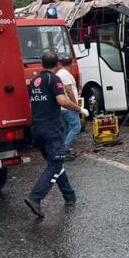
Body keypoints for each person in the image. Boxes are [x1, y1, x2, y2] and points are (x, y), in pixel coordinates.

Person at [25, 50, 90, 218]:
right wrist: (80, 109)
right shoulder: (53, 79)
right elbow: (62, 100)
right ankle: (35, 197)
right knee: (55, 164)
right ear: (58, 65)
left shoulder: (35, 81)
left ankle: (69, 195)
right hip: (51, 129)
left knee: (56, 163)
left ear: (42, 63)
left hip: (37, 128)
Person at [57, 56, 82, 156]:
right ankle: (65, 149)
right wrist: (75, 105)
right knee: (76, 127)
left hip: (62, 106)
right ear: (71, 64)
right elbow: (69, 90)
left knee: (66, 128)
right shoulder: (65, 74)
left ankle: (63, 148)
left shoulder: (59, 74)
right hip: (68, 106)